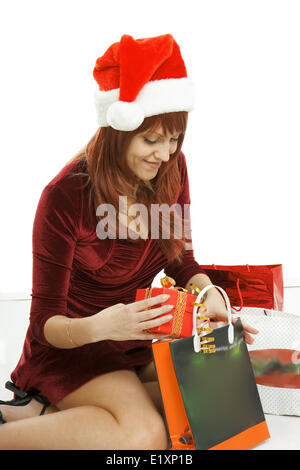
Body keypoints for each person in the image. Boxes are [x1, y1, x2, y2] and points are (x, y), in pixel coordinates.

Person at [0, 33, 258, 450]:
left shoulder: (172, 169)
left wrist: (209, 296)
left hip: (134, 343)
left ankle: (38, 412)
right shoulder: (65, 197)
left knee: (218, 405)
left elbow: (180, 263)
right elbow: (44, 325)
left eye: (174, 139)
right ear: (118, 131)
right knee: (147, 435)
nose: (165, 153)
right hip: (74, 346)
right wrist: (106, 325)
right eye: (151, 140)